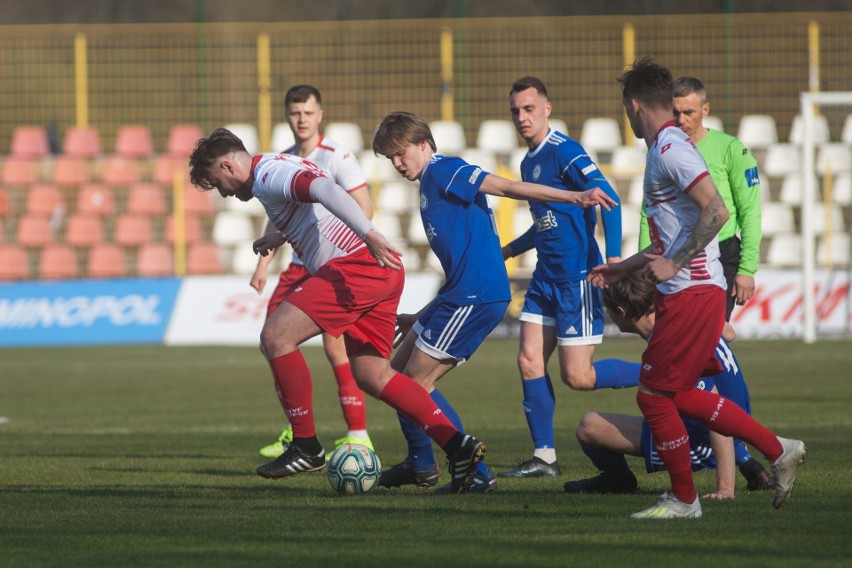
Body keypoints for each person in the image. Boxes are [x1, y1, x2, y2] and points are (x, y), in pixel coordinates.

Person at [188, 128, 486, 494]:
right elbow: (314, 198)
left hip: (356, 266)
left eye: (219, 183)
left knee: (275, 336)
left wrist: (369, 233)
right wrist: (281, 235)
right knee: (372, 374)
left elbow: (326, 190)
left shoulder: (268, 175)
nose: (225, 192)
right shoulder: (275, 166)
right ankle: (458, 446)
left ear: (229, 165)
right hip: (378, 271)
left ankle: (306, 446)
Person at [588, 57, 805, 519]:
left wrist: (676, 262)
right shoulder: (664, 149)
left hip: (694, 290)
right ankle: (778, 447)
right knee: (679, 393)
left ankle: (684, 499)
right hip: (689, 291)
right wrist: (623, 269)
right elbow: (672, 232)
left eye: (626, 110)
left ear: (634, 105)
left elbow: (717, 211)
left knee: (651, 395)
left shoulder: (670, 149)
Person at [370, 111, 618, 493]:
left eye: (401, 153)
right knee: (394, 376)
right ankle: (420, 462)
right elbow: (459, 266)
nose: (397, 164)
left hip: (477, 295)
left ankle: (475, 474)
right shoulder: (428, 182)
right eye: (391, 159)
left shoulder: (444, 169)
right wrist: (422, 313)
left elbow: (505, 188)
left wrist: (574, 195)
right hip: (459, 293)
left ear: (424, 144)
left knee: (413, 385)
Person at [498, 76, 638, 479]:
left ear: (547, 108)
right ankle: (544, 457)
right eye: (515, 111)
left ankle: (658, 373)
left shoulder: (565, 151)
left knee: (578, 376)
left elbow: (606, 198)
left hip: (577, 277)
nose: (521, 117)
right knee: (528, 360)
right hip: (544, 276)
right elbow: (544, 224)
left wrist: (612, 258)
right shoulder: (528, 162)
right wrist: (507, 250)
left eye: (528, 109)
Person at [564, 269, 770, 497]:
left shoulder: (673, 342)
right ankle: (750, 464)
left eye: (608, 310)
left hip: (709, 439)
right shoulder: (680, 314)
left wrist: (725, 489)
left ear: (621, 311)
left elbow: (716, 413)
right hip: (735, 422)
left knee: (589, 427)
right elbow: (729, 333)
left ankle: (619, 481)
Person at [252, 85, 375, 460]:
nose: (301, 119)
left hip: (333, 263)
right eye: (294, 112)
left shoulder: (337, 156)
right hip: (297, 265)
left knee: (335, 345)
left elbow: (364, 208)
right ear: (287, 116)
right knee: (273, 340)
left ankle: (358, 433)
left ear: (320, 114)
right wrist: (262, 264)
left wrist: (346, 251)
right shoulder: (282, 159)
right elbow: (276, 215)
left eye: (307, 112)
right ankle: (297, 428)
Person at [638, 76, 762, 321]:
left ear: (705, 109)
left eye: (689, 112)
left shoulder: (731, 149)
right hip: (671, 251)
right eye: (675, 112)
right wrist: (644, 262)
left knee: (710, 335)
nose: (681, 119)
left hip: (720, 254)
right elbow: (648, 211)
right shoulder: (663, 150)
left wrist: (747, 269)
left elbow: (750, 211)